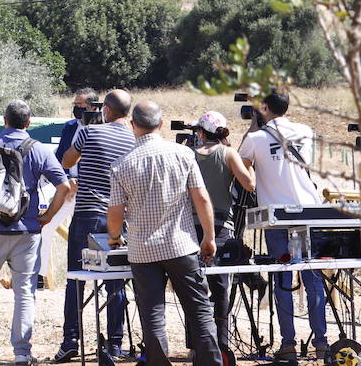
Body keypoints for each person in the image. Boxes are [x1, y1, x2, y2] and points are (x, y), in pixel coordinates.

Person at [0, 100, 72, 365]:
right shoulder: (38, 149)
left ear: (4, 120)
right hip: (27, 231)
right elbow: (63, 187)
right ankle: (21, 352)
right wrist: (48, 217)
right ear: (28, 124)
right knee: (25, 292)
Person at [108, 101, 221, 366]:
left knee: (152, 316)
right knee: (199, 311)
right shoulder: (183, 155)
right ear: (160, 124)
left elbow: (114, 213)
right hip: (180, 245)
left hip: (142, 250)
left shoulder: (121, 165)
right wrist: (209, 236)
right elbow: (201, 199)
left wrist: (114, 236)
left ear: (133, 126)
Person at [239, 89, 328, 363]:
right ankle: (322, 341)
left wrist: (255, 124)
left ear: (263, 108)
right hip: (309, 212)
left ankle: (288, 343)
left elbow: (243, 171)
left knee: (282, 278)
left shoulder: (255, 137)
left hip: (276, 216)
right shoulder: (305, 130)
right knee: (313, 278)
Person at [55, 89, 135, 362]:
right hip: (120, 217)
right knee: (116, 282)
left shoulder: (89, 131)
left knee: (76, 278)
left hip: (88, 213)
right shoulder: (134, 138)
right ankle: (115, 344)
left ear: (107, 110)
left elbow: (67, 161)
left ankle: (71, 340)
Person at [191, 110, 255, 353]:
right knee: (221, 288)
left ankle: (197, 346)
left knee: (195, 289)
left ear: (201, 132)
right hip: (221, 228)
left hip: (192, 226)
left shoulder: (189, 155)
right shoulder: (228, 154)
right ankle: (222, 345)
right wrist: (247, 162)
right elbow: (249, 184)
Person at [35, 87, 98, 294]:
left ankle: (103, 285)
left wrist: (82, 182)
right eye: (74, 105)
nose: (75, 109)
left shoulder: (103, 128)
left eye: (79, 106)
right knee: (45, 226)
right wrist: (67, 180)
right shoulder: (70, 127)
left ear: (92, 107)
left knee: (96, 237)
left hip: (93, 193)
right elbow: (61, 157)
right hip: (67, 188)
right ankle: (40, 276)